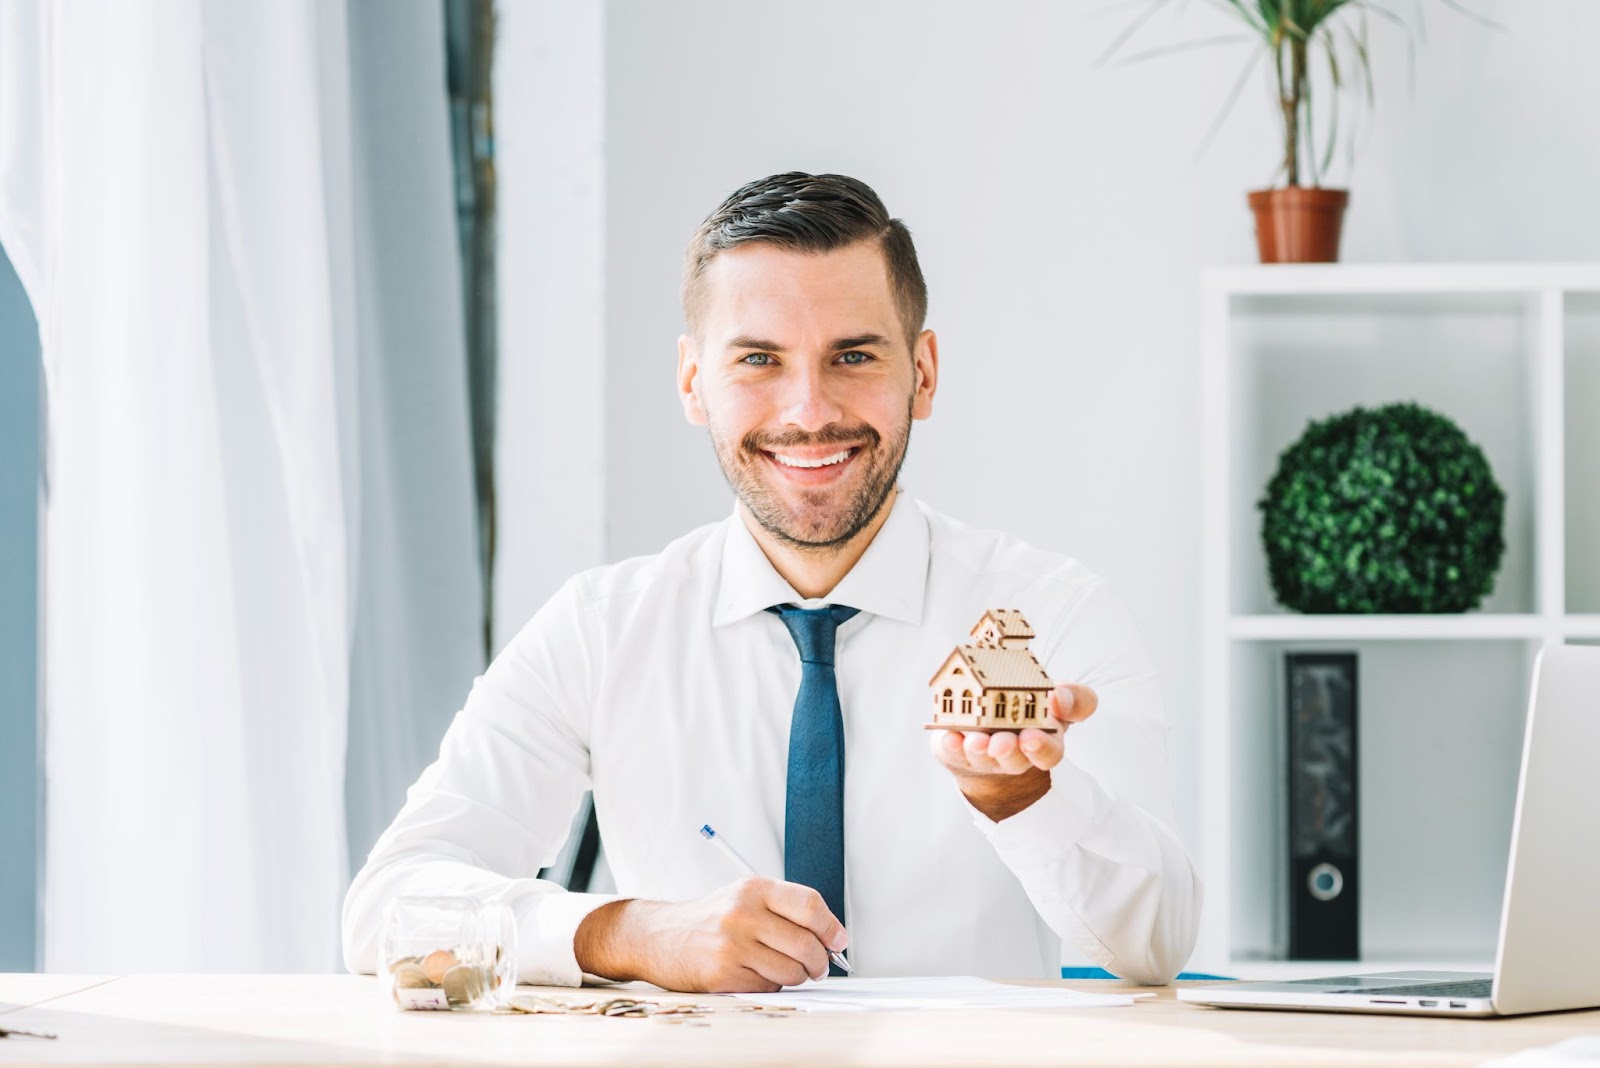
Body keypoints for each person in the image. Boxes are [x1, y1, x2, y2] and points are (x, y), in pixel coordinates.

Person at [343, 172, 1200, 992]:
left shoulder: (1054, 615)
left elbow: (1158, 942)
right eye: (758, 359)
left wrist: (1025, 797)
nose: (808, 410)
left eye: (854, 355)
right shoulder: (601, 630)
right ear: (693, 382)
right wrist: (631, 934)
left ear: (924, 373)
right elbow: (387, 912)